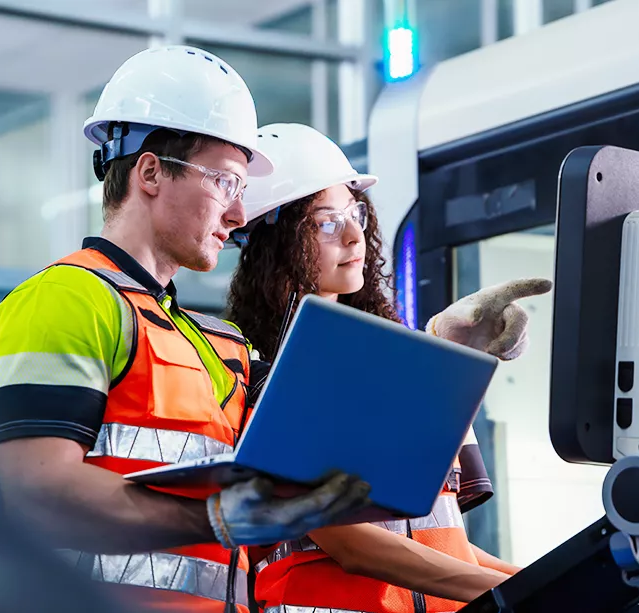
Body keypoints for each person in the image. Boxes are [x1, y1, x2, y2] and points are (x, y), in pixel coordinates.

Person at [0, 48, 371, 613]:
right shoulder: (65, 300)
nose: (238, 216)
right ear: (151, 172)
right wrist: (214, 519)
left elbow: (342, 403)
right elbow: (38, 495)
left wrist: (449, 343)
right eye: (226, 182)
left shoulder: (214, 341)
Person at [225, 123, 553, 613]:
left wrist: (554, 581)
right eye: (327, 222)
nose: (356, 236)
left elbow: (444, 547)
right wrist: (510, 595)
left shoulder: (392, 373)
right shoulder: (259, 379)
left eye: (355, 213)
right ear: (271, 244)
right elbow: (353, 546)